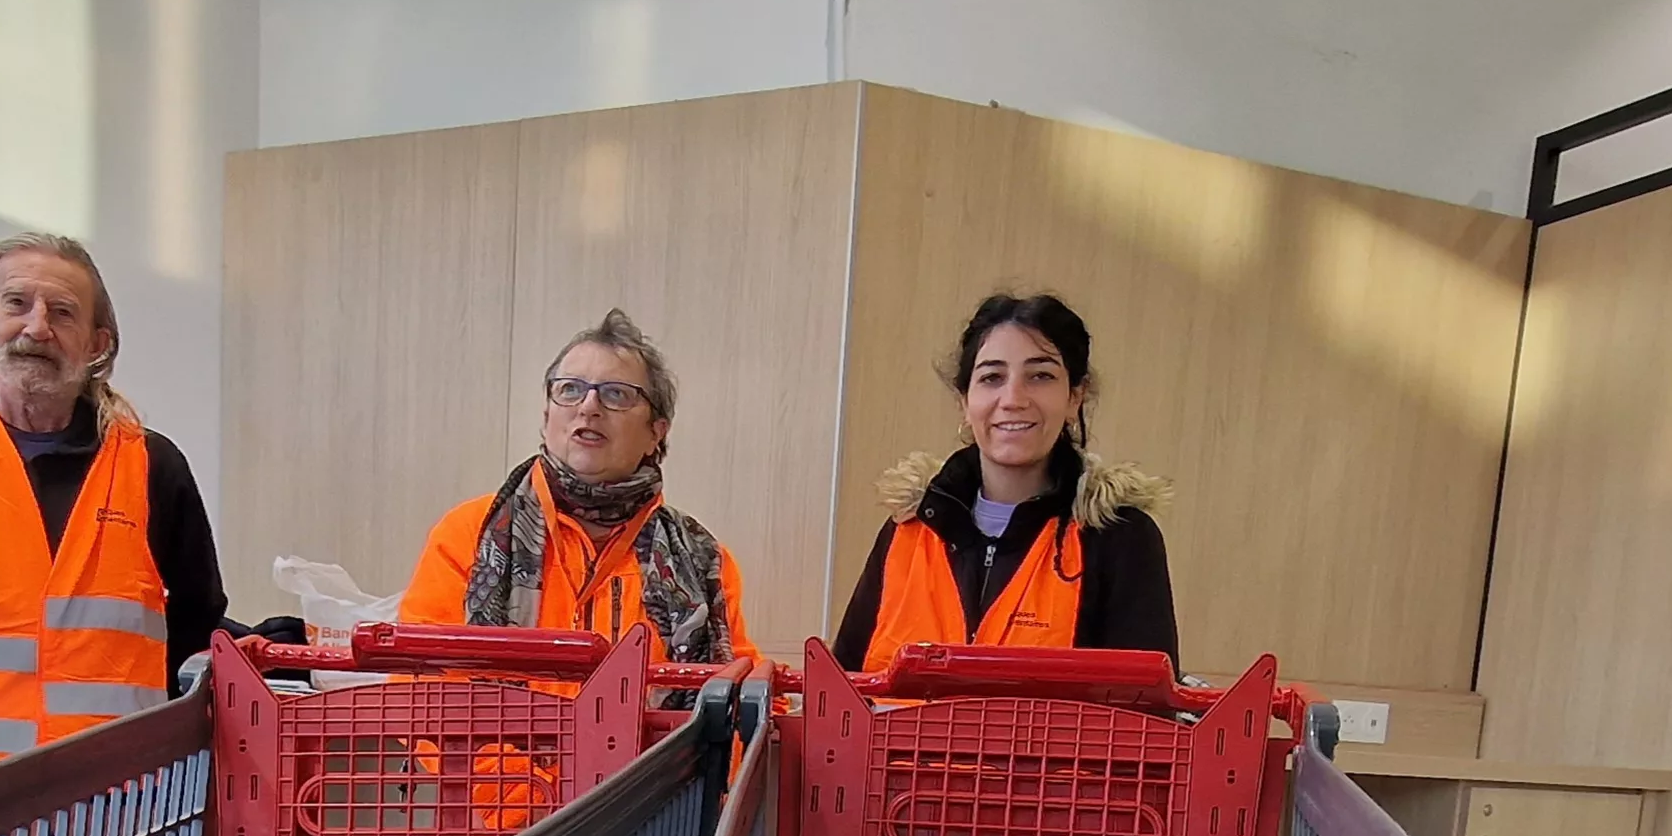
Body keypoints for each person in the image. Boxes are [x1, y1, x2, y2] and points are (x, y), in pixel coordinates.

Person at [0, 232, 287, 785]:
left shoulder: (149, 465)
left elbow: (198, 608)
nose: (36, 328)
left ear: (97, 344)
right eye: (17, 304)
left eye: (62, 313)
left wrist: (147, 722)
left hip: (118, 792)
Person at [833, 292, 1178, 672]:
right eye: (992, 377)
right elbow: (842, 688)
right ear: (965, 401)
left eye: (1040, 376)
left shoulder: (1119, 537)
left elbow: (1147, 717)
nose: (1013, 398)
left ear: (1074, 398)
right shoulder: (909, 529)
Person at [400, 308, 758, 669]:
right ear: (545, 417)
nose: (589, 407)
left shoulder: (703, 560)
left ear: (656, 432)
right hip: (496, 727)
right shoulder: (468, 533)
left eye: (617, 394)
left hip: (659, 730)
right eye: (570, 389)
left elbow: (741, 691)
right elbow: (418, 679)